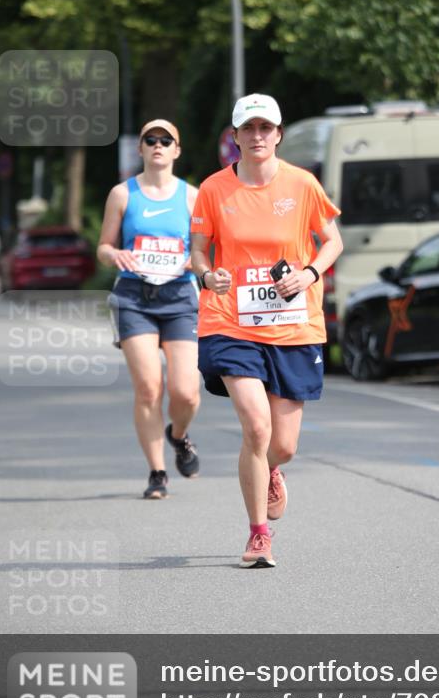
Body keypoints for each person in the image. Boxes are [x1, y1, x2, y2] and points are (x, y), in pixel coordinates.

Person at [190, 93, 343, 568]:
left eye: (265, 128)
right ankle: (258, 535)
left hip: (293, 325)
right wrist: (206, 274)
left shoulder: (302, 184)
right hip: (230, 322)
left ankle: (272, 469)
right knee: (255, 426)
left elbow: (332, 240)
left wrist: (311, 273)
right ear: (234, 137)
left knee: (283, 445)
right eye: (247, 129)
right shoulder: (214, 189)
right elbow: (199, 252)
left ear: (278, 134)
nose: (256, 136)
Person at [97, 118, 201, 499]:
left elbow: (207, 250)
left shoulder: (192, 196)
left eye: (166, 140)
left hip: (179, 298)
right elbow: (103, 247)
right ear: (140, 149)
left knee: (186, 392)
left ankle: (179, 434)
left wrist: (196, 262)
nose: (157, 145)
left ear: (177, 149)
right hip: (134, 298)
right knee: (148, 389)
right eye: (150, 139)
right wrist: (115, 254)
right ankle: (157, 472)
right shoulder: (122, 195)